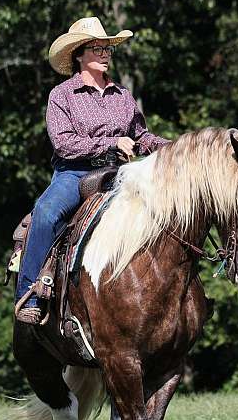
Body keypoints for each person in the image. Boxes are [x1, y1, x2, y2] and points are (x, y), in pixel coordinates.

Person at [15, 16, 170, 324]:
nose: (105, 55)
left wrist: (175, 147)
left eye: (108, 49)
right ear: (79, 54)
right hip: (75, 174)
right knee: (45, 213)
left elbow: (141, 137)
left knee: (168, 214)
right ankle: (31, 293)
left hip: (120, 174)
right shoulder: (62, 95)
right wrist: (112, 142)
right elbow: (64, 144)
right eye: (98, 48)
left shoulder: (123, 96)